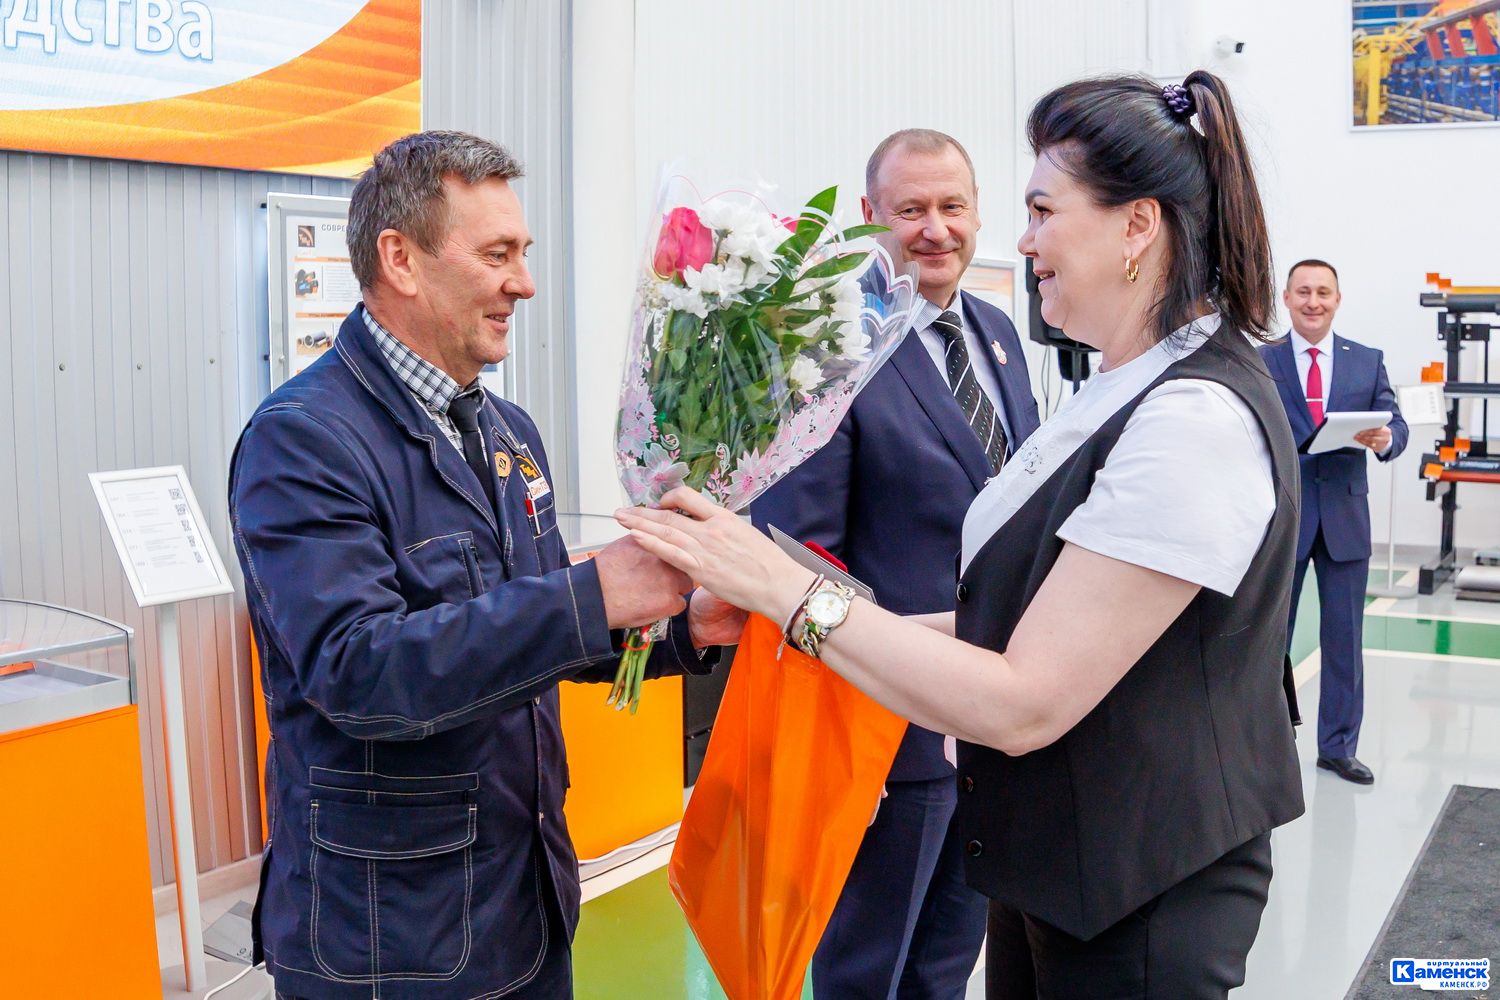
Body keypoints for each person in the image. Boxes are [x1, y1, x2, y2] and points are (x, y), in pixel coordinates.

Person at [619, 71, 1306, 999]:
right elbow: (1016, 620)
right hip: (1055, 856)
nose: (1024, 241)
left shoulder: (1190, 419)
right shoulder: (1123, 386)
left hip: (1135, 884)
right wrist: (804, 637)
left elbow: (1026, 696)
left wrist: (786, 592)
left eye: (1042, 211)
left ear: (1137, 226)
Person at [229, 130, 742, 999]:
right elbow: (359, 672)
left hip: (525, 903)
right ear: (401, 259)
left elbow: (534, 639)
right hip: (392, 942)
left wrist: (683, 630)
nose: (524, 283)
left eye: (523, 253)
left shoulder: (507, 432)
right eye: (498, 255)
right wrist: (590, 593)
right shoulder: (303, 443)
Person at [751, 128, 1038, 999]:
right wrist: (844, 721)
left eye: (953, 207)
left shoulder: (998, 334)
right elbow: (798, 553)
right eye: (910, 210)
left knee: (948, 961)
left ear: (978, 212)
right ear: (870, 215)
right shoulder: (830, 347)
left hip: (988, 720)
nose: (935, 230)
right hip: (887, 734)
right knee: (865, 968)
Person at [1261, 259, 1408, 786]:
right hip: (1286, 518)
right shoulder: (1262, 360)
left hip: (1345, 520)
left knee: (1345, 641)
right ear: (1286, 298)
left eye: (1323, 292)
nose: (1313, 301)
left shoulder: (1367, 361)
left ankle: (1338, 748)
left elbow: (1396, 425)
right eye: (1303, 291)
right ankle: (1269, 744)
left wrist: (1387, 439)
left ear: (1337, 300)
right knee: (1270, 640)